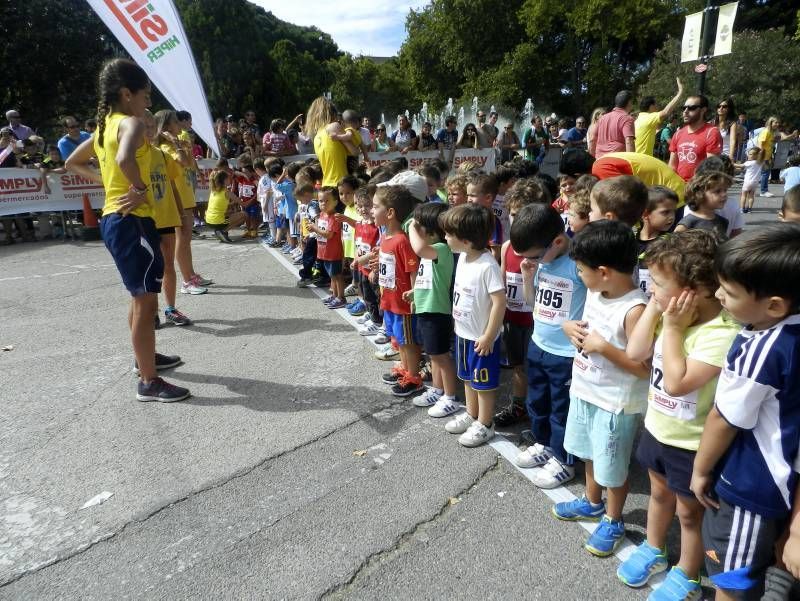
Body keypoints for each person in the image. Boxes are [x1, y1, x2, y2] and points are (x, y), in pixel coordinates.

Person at [620, 230, 739, 598]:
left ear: (698, 290)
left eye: (658, 282)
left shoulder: (720, 332)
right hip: (658, 428)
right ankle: (654, 548)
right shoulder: (666, 312)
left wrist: (671, 329)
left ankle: (688, 570)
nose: (650, 288)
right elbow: (636, 350)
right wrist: (657, 306)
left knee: (689, 513)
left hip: (691, 444)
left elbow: (678, 383)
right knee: (658, 495)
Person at [64, 58, 189, 403]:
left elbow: (71, 162)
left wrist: (111, 187)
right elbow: (123, 161)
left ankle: (144, 359)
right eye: (145, 96)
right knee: (145, 301)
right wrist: (138, 189)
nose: (148, 103)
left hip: (116, 220)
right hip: (132, 221)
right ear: (126, 93)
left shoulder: (104, 127)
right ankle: (148, 380)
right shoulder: (129, 123)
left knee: (140, 297)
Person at [690, 223, 800, 601]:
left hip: (751, 484)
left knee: (731, 578)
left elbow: (725, 417)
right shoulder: (790, 332)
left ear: (774, 305)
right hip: (782, 483)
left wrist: (701, 470)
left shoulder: (760, 349)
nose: (718, 294)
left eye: (730, 292)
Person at [552, 220, 650, 556]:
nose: (578, 275)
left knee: (614, 467)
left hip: (614, 403)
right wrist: (568, 327)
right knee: (590, 453)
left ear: (604, 271)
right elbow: (584, 328)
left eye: (581, 269)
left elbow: (645, 368)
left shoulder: (635, 310)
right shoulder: (598, 292)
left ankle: (613, 518)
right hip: (585, 389)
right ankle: (593, 502)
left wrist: (604, 347)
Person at [509, 204, 587, 486]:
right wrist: (529, 278)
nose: (534, 261)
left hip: (565, 354)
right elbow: (533, 304)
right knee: (537, 402)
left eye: (536, 256)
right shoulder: (542, 263)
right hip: (539, 344)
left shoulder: (578, 266)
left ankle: (564, 460)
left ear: (556, 241)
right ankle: (543, 444)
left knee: (561, 409)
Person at [441, 204, 506, 447]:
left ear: (466, 240)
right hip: (463, 333)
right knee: (467, 377)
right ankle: (471, 413)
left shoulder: (488, 265)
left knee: (483, 382)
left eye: (448, 234)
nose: (445, 237)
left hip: (482, 337)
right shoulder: (464, 258)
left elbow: (500, 302)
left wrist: (490, 335)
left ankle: (486, 423)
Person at [406, 202, 458, 413]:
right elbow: (429, 279)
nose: (416, 230)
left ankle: (450, 397)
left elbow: (418, 247)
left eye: (420, 227)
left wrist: (411, 226)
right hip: (426, 308)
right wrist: (414, 293)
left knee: (441, 356)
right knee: (433, 355)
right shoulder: (431, 253)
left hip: (437, 312)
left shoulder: (441, 249)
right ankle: (438, 389)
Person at [142, 110, 191, 327]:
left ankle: (170, 308)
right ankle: (150, 310)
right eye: (144, 125)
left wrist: (180, 212)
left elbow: (171, 185)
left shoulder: (160, 154)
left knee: (168, 266)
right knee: (147, 268)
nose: (149, 130)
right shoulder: (130, 156)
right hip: (144, 218)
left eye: (152, 125)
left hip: (167, 218)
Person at [372, 184, 423, 396]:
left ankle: (414, 376)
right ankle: (403, 368)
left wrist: (413, 295)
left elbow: (413, 270)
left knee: (408, 341)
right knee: (398, 339)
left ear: (390, 213)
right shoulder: (385, 237)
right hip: (390, 301)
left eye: (375, 207)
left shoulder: (402, 241)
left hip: (403, 304)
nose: (371, 211)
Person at [154, 109, 211, 295]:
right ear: (166, 127)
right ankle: (187, 281)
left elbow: (189, 163)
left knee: (186, 239)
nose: (179, 125)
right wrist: (176, 143)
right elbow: (182, 161)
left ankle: (191, 274)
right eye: (176, 123)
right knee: (182, 239)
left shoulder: (178, 144)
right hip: (177, 199)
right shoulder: (165, 148)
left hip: (186, 196)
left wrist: (183, 145)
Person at [592, 152, 686, 209]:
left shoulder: (599, 169)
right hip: (670, 190)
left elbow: (623, 201)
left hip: (671, 197)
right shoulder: (600, 162)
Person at [669, 95, 723, 181]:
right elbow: (672, 166)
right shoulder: (678, 134)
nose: (685, 111)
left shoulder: (711, 132)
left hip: (699, 188)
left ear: (703, 110)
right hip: (679, 187)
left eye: (692, 108)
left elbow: (712, 169)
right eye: (684, 108)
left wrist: (694, 187)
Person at [636, 186, 678, 298]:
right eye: (666, 212)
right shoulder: (629, 240)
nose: (672, 217)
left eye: (674, 212)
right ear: (645, 214)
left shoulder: (670, 243)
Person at [634, 77, 684, 156]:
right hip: (643, 160)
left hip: (636, 158)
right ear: (651, 106)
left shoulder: (638, 120)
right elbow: (666, 112)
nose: (657, 107)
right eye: (655, 105)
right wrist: (680, 92)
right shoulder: (649, 118)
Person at [675, 170, 732, 239]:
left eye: (725, 190)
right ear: (699, 194)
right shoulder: (687, 224)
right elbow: (675, 247)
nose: (724, 194)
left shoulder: (723, 221)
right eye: (717, 191)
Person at [306, 97, 348, 187]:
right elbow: (355, 151)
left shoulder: (316, 136)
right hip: (341, 185)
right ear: (332, 113)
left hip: (326, 185)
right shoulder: (334, 126)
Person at [758, 116, 799, 198]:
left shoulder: (772, 132)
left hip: (768, 155)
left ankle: (764, 190)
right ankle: (763, 191)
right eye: (775, 122)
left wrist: (792, 135)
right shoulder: (766, 131)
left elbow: (783, 139)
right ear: (771, 123)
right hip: (764, 156)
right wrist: (761, 155)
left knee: (765, 173)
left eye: (778, 123)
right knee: (765, 174)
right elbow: (760, 143)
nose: (777, 124)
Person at [590, 91, 636, 158]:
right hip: (616, 161)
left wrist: (592, 158)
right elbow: (629, 141)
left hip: (599, 160)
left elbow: (592, 139)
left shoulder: (602, 118)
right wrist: (632, 161)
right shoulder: (627, 118)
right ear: (629, 102)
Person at [205, 169, 245, 243]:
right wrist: (254, 197)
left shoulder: (213, 190)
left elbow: (219, 205)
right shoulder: (227, 192)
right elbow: (243, 204)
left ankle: (219, 231)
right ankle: (223, 231)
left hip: (208, 220)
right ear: (224, 180)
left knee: (231, 213)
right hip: (217, 221)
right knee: (244, 215)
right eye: (228, 178)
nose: (230, 180)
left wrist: (232, 204)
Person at [736, 147, 763, 213]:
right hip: (755, 182)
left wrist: (732, 164)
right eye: (749, 154)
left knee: (743, 195)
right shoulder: (760, 162)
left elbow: (741, 166)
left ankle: (742, 209)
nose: (748, 155)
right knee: (751, 196)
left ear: (756, 155)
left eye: (751, 154)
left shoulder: (749, 163)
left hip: (747, 182)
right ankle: (749, 209)